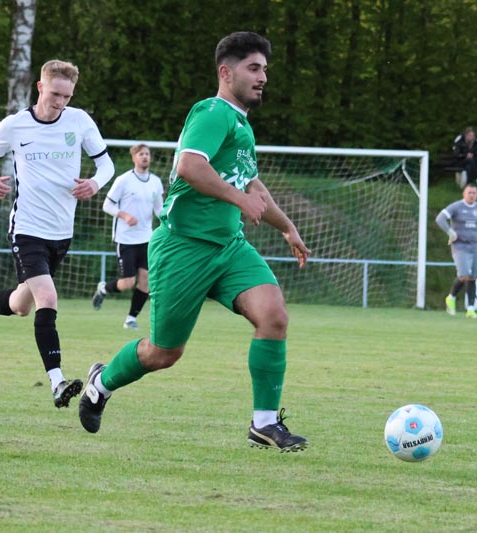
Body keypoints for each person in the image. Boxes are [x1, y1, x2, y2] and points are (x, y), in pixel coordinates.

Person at [78, 31, 310, 452]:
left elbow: (252, 184)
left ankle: (264, 423)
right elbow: (189, 166)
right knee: (163, 353)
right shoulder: (212, 112)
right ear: (226, 73)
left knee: (274, 315)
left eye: (264, 69)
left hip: (229, 247)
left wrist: (286, 227)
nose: (262, 77)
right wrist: (239, 199)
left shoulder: (241, 125)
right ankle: (101, 383)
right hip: (183, 248)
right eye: (253, 68)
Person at [0, 59, 115, 409]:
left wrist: (95, 183)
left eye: (67, 96)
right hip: (26, 228)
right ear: (40, 87)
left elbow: (106, 164)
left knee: (21, 305)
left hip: (61, 231)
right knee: (48, 298)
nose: (61, 102)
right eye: (55, 94)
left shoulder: (79, 121)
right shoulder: (15, 125)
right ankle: (57, 383)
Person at [92, 143, 164, 330]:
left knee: (146, 280)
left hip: (146, 239)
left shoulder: (156, 182)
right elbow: (107, 205)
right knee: (127, 283)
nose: (145, 157)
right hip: (126, 240)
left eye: (147, 154)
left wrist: (169, 221)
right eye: (141, 154)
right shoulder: (123, 180)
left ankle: (131, 319)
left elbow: (159, 209)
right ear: (134, 158)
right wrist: (124, 215)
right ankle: (103, 289)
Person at [435, 183, 477, 318]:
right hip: (460, 246)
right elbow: (440, 218)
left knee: (473, 277)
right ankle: (451, 298)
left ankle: (471, 310)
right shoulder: (456, 207)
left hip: (475, 246)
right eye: (469, 193)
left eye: (474, 193)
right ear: (464, 194)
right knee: (463, 275)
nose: (472, 195)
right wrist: (451, 232)